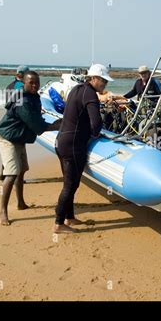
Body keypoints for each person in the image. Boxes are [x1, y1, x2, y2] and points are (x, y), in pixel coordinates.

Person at [54, 64, 114, 234]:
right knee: (70, 185)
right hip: (73, 145)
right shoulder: (90, 95)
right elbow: (96, 123)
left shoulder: (76, 89)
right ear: (93, 78)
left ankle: (69, 217)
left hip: (61, 141)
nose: (104, 85)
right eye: (103, 81)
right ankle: (58, 223)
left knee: (69, 182)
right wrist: (95, 135)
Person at [0, 71, 61, 226]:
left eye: (37, 82)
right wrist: (58, 125)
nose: (35, 85)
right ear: (23, 83)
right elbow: (37, 126)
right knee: (11, 173)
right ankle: (2, 211)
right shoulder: (23, 101)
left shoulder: (34, 96)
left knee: (22, 169)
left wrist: (54, 122)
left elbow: (37, 117)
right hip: (7, 138)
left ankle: (20, 203)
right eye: (31, 83)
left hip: (19, 137)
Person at [0, 65, 30, 180]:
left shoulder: (9, 86)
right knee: (15, 151)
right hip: (17, 122)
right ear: (21, 75)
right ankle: (14, 176)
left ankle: (4, 172)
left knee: (9, 152)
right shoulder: (20, 87)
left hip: (10, 119)